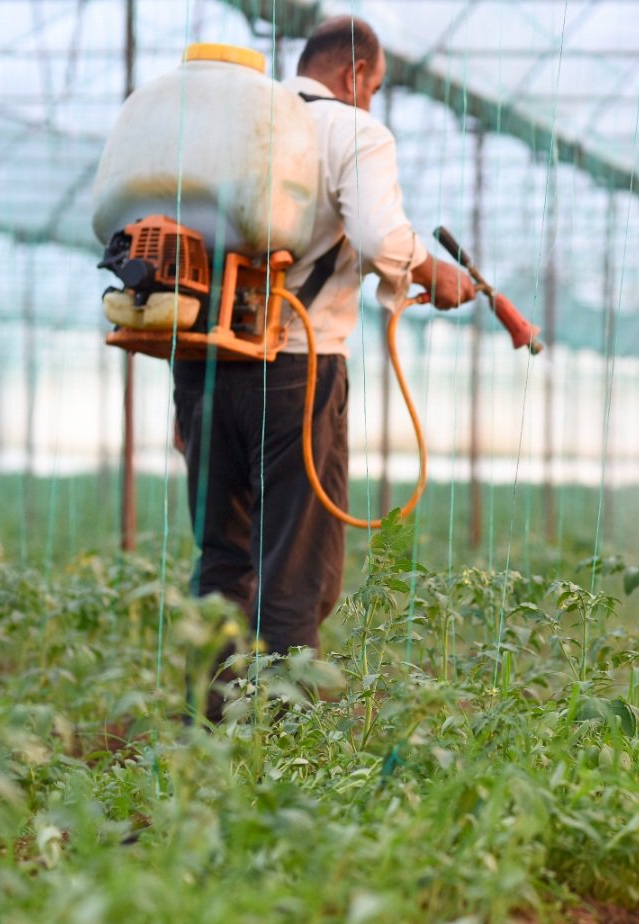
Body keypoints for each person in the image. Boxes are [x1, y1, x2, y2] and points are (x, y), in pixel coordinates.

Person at [173, 16, 477, 721]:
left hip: (200, 363)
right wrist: (436, 271)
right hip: (296, 367)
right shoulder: (352, 130)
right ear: (356, 74)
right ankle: (278, 747)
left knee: (221, 554)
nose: (370, 100)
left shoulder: (239, 121)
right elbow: (379, 235)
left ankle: (208, 726)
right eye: (373, 88)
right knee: (295, 565)